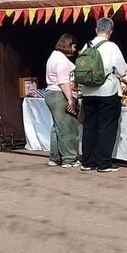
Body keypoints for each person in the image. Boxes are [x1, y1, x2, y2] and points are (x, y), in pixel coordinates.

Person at [76, 17, 127, 173]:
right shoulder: (112, 47)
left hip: (87, 91)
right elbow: (121, 70)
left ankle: (87, 162)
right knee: (107, 126)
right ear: (110, 31)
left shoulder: (87, 46)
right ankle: (104, 163)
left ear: (96, 30)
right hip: (107, 91)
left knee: (89, 126)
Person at [44, 34, 79, 168]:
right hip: (60, 95)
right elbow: (63, 82)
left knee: (57, 127)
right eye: (74, 46)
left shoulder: (53, 56)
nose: (75, 49)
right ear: (68, 45)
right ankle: (69, 159)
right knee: (67, 127)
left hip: (51, 93)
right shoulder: (62, 60)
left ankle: (55, 158)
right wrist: (70, 99)